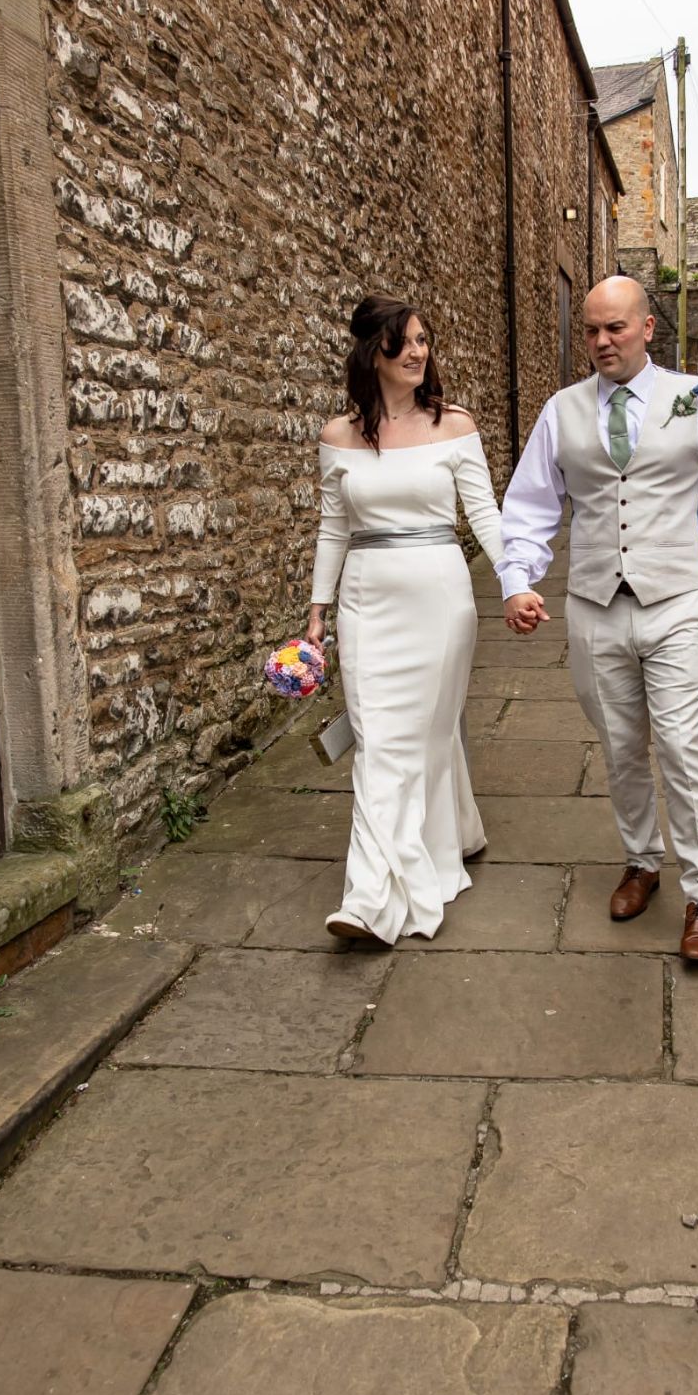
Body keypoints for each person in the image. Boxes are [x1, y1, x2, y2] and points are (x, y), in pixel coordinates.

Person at [499, 277, 698, 962]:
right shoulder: (562, 410)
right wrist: (516, 580)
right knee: (620, 747)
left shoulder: (695, 399)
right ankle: (642, 861)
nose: (602, 342)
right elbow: (529, 506)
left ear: (647, 327)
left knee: (681, 745)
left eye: (615, 328)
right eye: (590, 330)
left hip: (676, 602)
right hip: (593, 606)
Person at [307, 293, 504, 945]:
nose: (419, 352)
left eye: (424, 340)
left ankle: (377, 893)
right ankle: (368, 897)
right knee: (379, 740)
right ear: (374, 352)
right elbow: (334, 527)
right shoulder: (339, 437)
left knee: (422, 736)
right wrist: (317, 611)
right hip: (366, 600)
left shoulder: (454, 426)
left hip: (440, 597)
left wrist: (518, 583)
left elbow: (483, 514)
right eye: (406, 342)